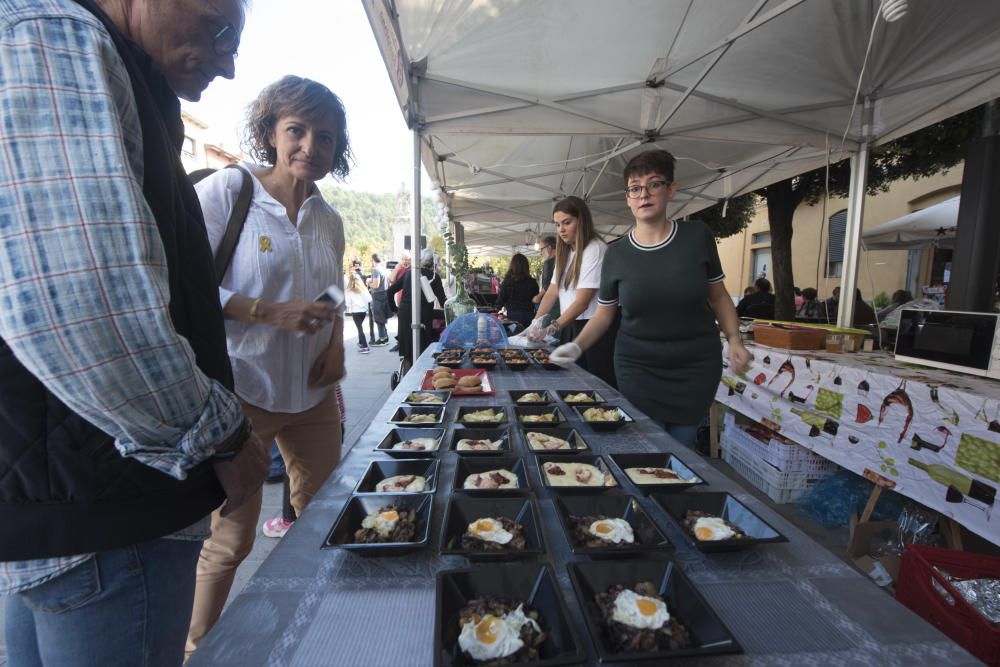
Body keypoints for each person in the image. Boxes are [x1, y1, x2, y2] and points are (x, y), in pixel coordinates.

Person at [0, 1, 270, 665]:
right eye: (221, 29)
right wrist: (221, 434)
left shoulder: (89, 51)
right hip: (108, 508)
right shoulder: (56, 32)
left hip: (72, 498)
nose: (229, 61)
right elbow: (84, 303)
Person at [187, 75, 351, 654]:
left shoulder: (328, 218)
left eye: (326, 138)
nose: (311, 146)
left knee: (320, 519)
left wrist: (333, 344)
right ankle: (197, 650)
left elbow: (334, 295)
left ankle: (315, 627)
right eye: (297, 130)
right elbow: (185, 287)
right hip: (243, 393)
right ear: (270, 133)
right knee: (230, 539)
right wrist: (267, 313)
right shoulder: (228, 194)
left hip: (310, 398)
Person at [548, 149, 751, 447]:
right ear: (628, 197)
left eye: (654, 184)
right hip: (637, 367)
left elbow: (719, 297)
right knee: (647, 447)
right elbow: (604, 315)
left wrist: (734, 338)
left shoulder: (697, 237)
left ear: (671, 189)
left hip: (695, 366)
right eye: (635, 188)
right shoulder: (617, 254)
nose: (644, 194)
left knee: (683, 447)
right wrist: (576, 346)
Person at [530, 196, 617, 387]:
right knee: (575, 384)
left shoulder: (595, 248)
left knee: (596, 386)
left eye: (567, 222)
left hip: (594, 329)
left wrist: (549, 329)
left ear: (582, 220)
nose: (561, 229)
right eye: (558, 224)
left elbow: (582, 302)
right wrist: (535, 322)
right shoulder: (567, 253)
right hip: (570, 325)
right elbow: (552, 291)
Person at [387, 249, 448, 366]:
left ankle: (407, 366)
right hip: (423, 314)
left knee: (407, 349)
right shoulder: (434, 277)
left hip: (404, 313)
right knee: (423, 348)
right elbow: (443, 302)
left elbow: (390, 291)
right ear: (433, 264)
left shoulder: (409, 273)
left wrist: (395, 309)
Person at [496, 253, 540, 329]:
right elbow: (536, 300)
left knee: (514, 338)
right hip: (529, 318)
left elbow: (500, 301)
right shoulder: (532, 282)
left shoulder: (507, 282)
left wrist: (495, 311)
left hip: (513, 319)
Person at [346, 270, 373, 353]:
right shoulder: (364, 289)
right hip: (363, 311)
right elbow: (369, 299)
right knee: (360, 326)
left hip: (355, 311)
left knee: (359, 328)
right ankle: (361, 342)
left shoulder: (349, 291)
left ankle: (365, 346)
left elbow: (348, 303)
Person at [368, 253, 391, 346]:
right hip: (385, 295)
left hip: (377, 296)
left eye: (371, 260)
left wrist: (368, 282)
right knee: (383, 318)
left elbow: (376, 285)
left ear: (373, 260)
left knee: (378, 318)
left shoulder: (376, 270)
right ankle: (385, 337)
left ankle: (382, 339)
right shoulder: (385, 270)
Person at [532, 235, 559, 315]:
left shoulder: (549, 262)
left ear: (549, 248)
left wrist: (539, 296)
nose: (540, 253)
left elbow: (547, 284)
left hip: (552, 303)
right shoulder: (561, 260)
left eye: (541, 249)